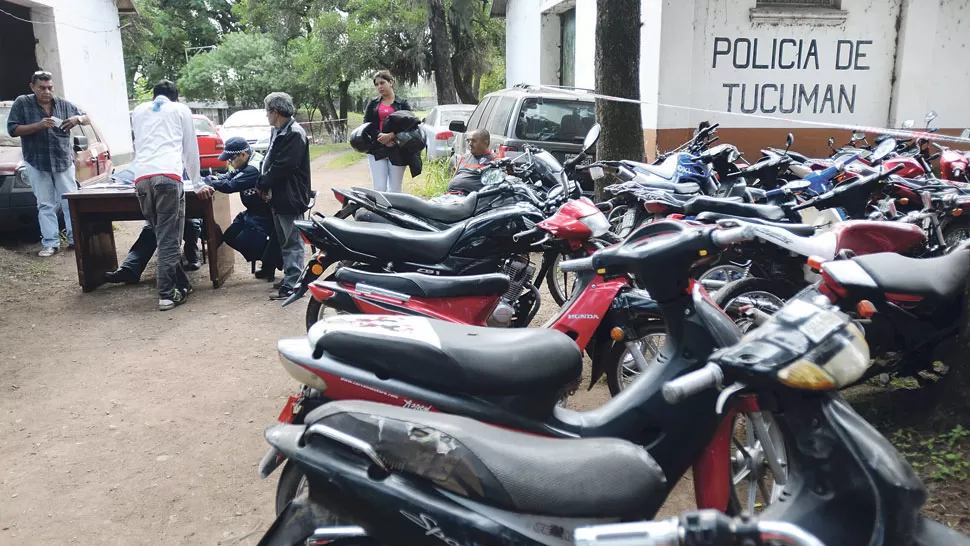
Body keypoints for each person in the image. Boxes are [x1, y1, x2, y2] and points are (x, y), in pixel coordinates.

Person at [129, 79, 210, 311]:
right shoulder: (180, 110)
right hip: (168, 177)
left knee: (160, 232)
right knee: (169, 239)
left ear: (154, 96)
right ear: (177, 97)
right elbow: (190, 149)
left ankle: (181, 283)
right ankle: (166, 293)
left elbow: (140, 145)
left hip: (142, 178)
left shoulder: (139, 110)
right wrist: (196, 183)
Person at [5, 70, 91, 257]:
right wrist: (39, 125)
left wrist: (78, 119)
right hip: (36, 160)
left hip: (62, 160)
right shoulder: (22, 103)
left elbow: (87, 118)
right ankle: (50, 243)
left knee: (71, 203)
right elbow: (13, 129)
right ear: (32, 87)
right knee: (45, 204)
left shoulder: (64, 104)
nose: (46, 91)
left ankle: (74, 239)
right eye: (42, 88)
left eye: (50, 87)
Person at [256, 92, 311, 300]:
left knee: (292, 241)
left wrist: (263, 181)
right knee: (284, 240)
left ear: (275, 112)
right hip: (280, 195)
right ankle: (291, 277)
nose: (267, 116)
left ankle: (294, 284)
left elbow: (284, 166)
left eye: (267, 111)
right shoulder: (279, 131)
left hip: (290, 195)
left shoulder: (294, 133)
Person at [205, 136, 282, 280]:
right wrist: (210, 179)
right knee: (230, 236)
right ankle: (270, 259)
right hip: (252, 211)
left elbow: (230, 185)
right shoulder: (246, 162)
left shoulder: (253, 168)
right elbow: (229, 175)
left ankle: (273, 259)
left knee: (245, 240)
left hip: (265, 214)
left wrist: (208, 181)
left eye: (231, 159)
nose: (229, 162)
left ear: (243, 154)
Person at [363, 70, 412, 193]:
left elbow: (410, 124)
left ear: (391, 82)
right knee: (379, 188)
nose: (379, 87)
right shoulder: (373, 104)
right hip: (377, 148)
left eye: (382, 83)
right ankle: (380, 212)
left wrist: (391, 136)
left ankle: (394, 212)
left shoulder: (402, 104)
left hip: (398, 149)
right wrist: (380, 136)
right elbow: (366, 125)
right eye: (376, 84)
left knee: (395, 189)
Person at [448, 128, 496, 194]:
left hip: (470, 198)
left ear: (485, 143)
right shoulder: (464, 157)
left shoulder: (494, 160)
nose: (470, 144)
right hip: (451, 195)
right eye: (468, 141)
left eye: (473, 141)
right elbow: (454, 177)